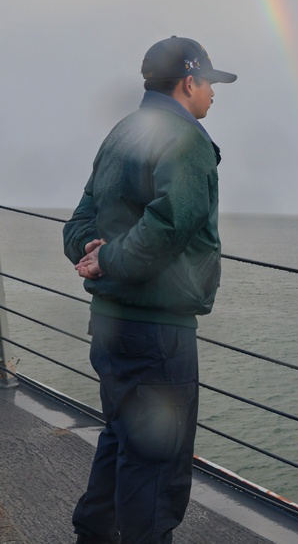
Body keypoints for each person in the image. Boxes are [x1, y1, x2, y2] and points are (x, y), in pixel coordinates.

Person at [63, 36, 237, 544]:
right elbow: (169, 226)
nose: (212, 94)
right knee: (158, 469)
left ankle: (90, 535)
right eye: (209, 83)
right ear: (189, 82)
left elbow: (79, 221)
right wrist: (109, 258)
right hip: (158, 334)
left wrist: (90, 253)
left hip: (111, 326)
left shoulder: (121, 134)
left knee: (121, 440)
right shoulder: (186, 138)